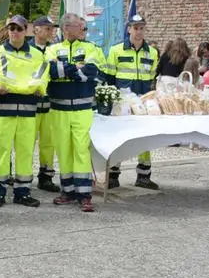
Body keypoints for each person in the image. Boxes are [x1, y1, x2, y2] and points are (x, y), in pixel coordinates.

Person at [0, 15, 49, 208]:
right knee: (1, 150)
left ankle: (22, 192)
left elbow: (40, 80)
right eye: (11, 28)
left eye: (19, 29)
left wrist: (24, 87)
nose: (15, 32)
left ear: (26, 31)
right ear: (7, 31)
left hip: (27, 111)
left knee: (25, 151)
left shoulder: (37, 55)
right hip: (3, 109)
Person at [46, 13, 100, 212]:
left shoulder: (91, 48)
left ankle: (84, 195)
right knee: (63, 150)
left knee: (81, 149)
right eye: (80, 26)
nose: (83, 30)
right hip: (58, 109)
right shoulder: (52, 49)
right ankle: (67, 192)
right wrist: (75, 68)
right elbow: (50, 71)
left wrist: (66, 71)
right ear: (68, 28)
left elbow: (91, 72)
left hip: (82, 108)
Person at [103, 14, 160, 189]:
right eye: (136, 28)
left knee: (145, 139)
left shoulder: (152, 52)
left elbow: (152, 79)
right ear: (129, 29)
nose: (139, 32)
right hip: (121, 105)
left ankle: (143, 176)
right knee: (119, 138)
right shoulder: (116, 50)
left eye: (142, 28)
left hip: (143, 104)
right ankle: (113, 175)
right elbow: (109, 78)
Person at [28, 15, 59, 193]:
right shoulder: (26, 49)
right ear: (36, 29)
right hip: (31, 104)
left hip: (49, 103)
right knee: (27, 142)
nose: (50, 31)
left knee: (48, 142)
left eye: (51, 28)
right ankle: (23, 177)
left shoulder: (54, 50)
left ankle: (46, 177)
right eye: (46, 28)